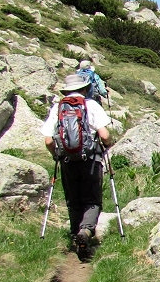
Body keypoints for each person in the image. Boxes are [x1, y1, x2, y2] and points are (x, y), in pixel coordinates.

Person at [40, 74, 113, 261]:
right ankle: (86, 232)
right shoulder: (92, 106)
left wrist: (56, 154)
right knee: (92, 201)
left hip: (67, 161)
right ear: (85, 89)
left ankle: (75, 236)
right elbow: (104, 136)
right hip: (90, 160)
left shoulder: (58, 108)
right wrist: (108, 145)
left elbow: (48, 140)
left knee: (73, 201)